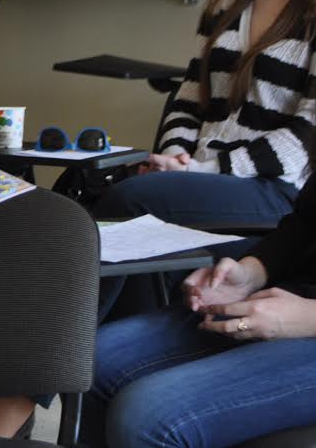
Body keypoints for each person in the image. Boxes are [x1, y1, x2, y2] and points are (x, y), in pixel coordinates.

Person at [93, 0, 316, 318]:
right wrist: (176, 155)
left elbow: (305, 139)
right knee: (96, 190)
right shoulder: (227, 4)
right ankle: (106, 344)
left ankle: (58, 349)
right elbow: (189, 97)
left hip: (277, 191)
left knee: (130, 200)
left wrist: (201, 170)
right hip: (202, 172)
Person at [81, 155, 316, 446]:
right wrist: (251, 272)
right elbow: (303, 226)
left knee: (147, 416)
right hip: (289, 296)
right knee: (91, 360)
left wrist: (307, 316)